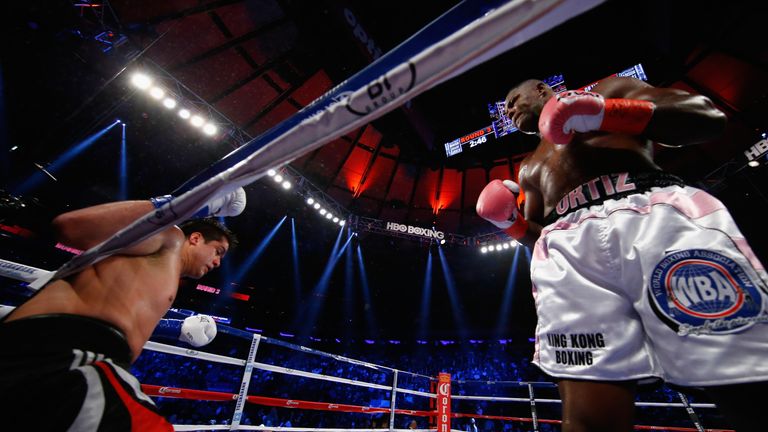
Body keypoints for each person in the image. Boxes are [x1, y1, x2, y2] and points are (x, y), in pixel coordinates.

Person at [476, 76, 768, 431]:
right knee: (587, 416)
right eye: (505, 108)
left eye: (512, 99)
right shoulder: (528, 167)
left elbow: (707, 118)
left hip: (653, 219)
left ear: (541, 90)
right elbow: (539, 234)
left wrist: (603, 113)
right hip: (568, 255)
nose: (507, 111)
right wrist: (511, 224)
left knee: (747, 379)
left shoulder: (609, 92)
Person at [0, 187, 246, 431]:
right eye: (218, 252)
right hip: (64, 351)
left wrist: (175, 329)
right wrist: (197, 202)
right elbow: (73, 226)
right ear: (195, 239)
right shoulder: (170, 237)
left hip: (75, 356)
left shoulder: (163, 272)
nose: (217, 263)